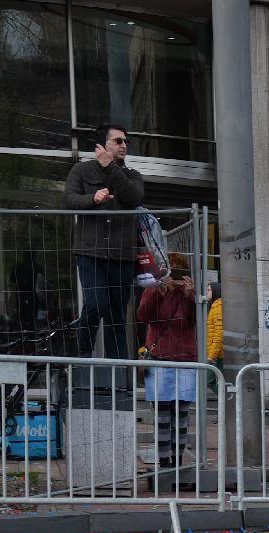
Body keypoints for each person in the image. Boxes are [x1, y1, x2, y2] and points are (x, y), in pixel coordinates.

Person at [64, 123, 144, 361]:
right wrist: (92, 199)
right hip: (91, 252)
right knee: (96, 303)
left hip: (122, 255)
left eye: (126, 142)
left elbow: (133, 196)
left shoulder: (131, 175)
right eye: (118, 141)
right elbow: (69, 200)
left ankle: (117, 372)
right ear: (102, 145)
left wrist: (110, 167)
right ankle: (83, 355)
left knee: (117, 315)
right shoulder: (82, 170)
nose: (124, 145)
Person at [137, 252, 198, 470]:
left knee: (181, 416)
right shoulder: (155, 289)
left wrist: (192, 297)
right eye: (171, 271)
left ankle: (178, 460)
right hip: (160, 356)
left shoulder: (189, 294)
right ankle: (164, 461)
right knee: (162, 416)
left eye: (179, 272)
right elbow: (143, 316)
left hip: (185, 358)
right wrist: (157, 291)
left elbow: (198, 322)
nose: (175, 277)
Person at [205, 282, 223, 394]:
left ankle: (227, 403)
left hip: (218, 354)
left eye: (209, 290)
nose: (207, 292)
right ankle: (226, 404)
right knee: (214, 381)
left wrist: (212, 355)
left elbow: (219, 332)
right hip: (217, 353)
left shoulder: (218, 306)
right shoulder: (214, 305)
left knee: (210, 380)